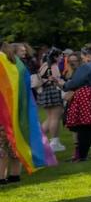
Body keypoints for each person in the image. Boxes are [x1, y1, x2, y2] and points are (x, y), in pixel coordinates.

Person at [1, 41, 56, 183]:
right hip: (20, 109)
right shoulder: (19, 65)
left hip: (5, 111)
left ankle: (1, 176)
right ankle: (15, 175)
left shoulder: (4, 64)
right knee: (17, 141)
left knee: (3, 145)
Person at [36, 49, 66, 152]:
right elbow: (57, 80)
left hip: (44, 92)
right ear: (55, 57)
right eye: (60, 56)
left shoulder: (43, 65)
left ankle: (38, 139)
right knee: (55, 117)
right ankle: (54, 142)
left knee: (50, 117)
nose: (61, 58)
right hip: (53, 91)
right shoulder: (53, 66)